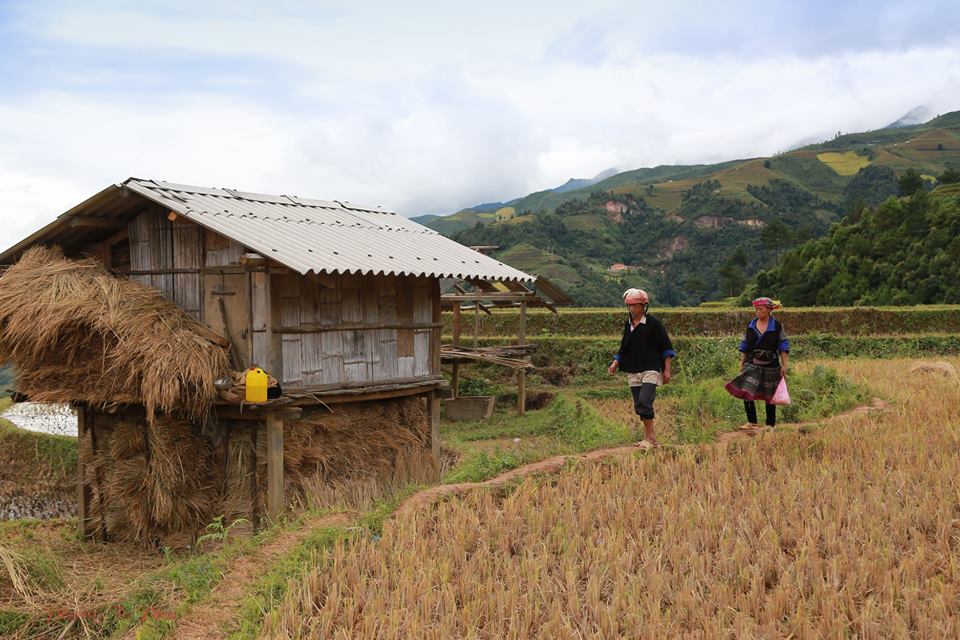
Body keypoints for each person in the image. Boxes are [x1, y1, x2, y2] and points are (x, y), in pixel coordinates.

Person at [608, 288, 675, 446]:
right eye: (629, 305)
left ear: (643, 306)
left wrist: (666, 369)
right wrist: (616, 362)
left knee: (645, 401)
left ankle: (649, 438)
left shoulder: (653, 324)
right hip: (633, 368)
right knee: (639, 405)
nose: (631, 308)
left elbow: (666, 347)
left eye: (634, 305)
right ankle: (650, 437)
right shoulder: (628, 324)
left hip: (651, 367)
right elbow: (624, 346)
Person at [724, 297, 790, 429]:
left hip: (771, 364)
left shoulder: (777, 326)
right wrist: (742, 363)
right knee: (746, 389)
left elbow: (783, 346)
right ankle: (752, 421)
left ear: (769, 310)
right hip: (752, 363)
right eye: (756, 309)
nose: (757, 312)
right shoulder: (751, 325)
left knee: (770, 394)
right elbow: (745, 345)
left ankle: (770, 424)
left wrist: (784, 365)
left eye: (760, 309)